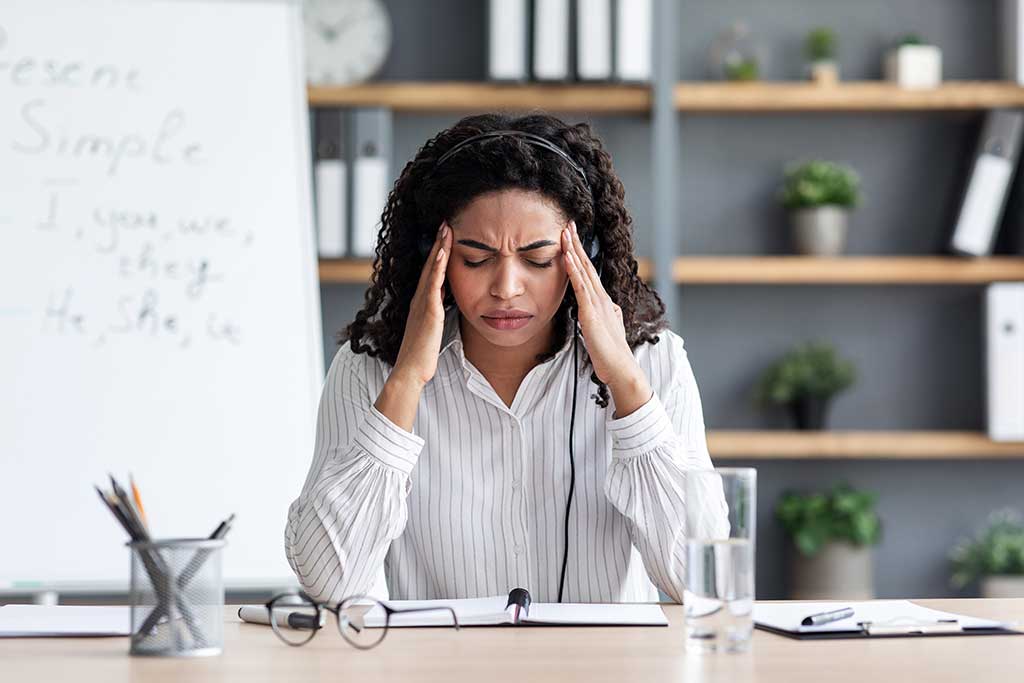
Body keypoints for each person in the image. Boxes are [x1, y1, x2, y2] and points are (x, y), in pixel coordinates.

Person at [285, 112, 728, 605]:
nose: (506, 288)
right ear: (434, 254)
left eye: (538, 260)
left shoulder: (653, 363)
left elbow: (704, 578)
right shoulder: (369, 370)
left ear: (587, 255)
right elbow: (328, 581)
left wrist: (625, 383)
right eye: (475, 258)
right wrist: (407, 380)